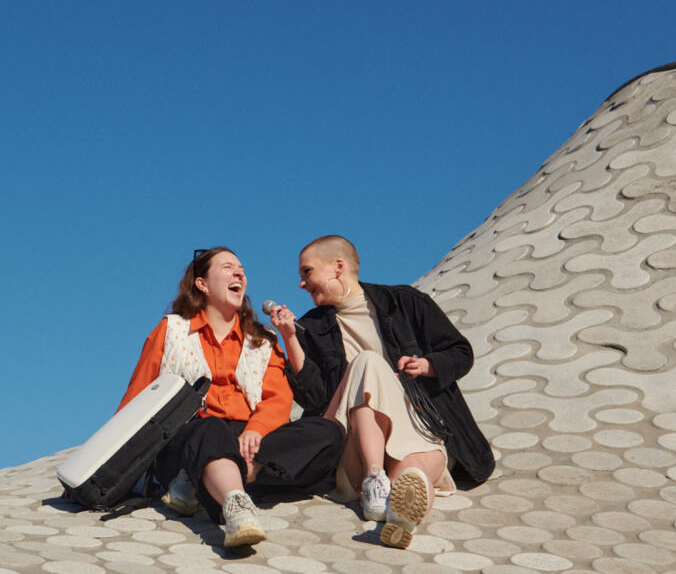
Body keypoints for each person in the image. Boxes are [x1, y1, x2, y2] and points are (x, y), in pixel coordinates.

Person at [267, 235, 493, 549]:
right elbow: (315, 399)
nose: (302, 283)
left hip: (417, 426)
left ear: (338, 267)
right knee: (367, 363)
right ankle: (374, 476)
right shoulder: (312, 328)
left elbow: (460, 352)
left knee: (415, 472)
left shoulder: (404, 302)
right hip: (351, 444)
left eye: (307, 272)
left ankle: (402, 518)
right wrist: (290, 338)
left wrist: (427, 365)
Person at [119, 247, 343, 548]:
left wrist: (256, 430)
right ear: (202, 284)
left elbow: (277, 399)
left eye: (242, 268)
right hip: (190, 435)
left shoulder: (263, 340)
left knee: (327, 431)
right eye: (228, 267)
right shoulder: (170, 329)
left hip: (247, 439)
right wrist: (104, 470)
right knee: (210, 428)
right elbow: (137, 398)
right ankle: (237, 508)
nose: (239, 273)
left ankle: (209, 481)